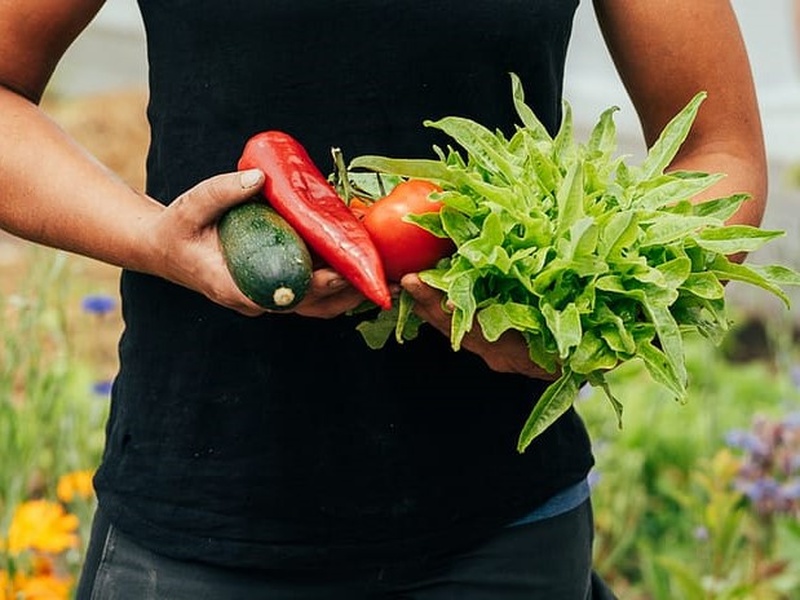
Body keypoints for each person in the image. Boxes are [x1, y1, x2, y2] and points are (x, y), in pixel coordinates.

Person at [0, 1, 766, 598]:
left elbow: (719, 150)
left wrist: (583, 322)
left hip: (503, 532)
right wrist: (152, 241)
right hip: (207, 521)